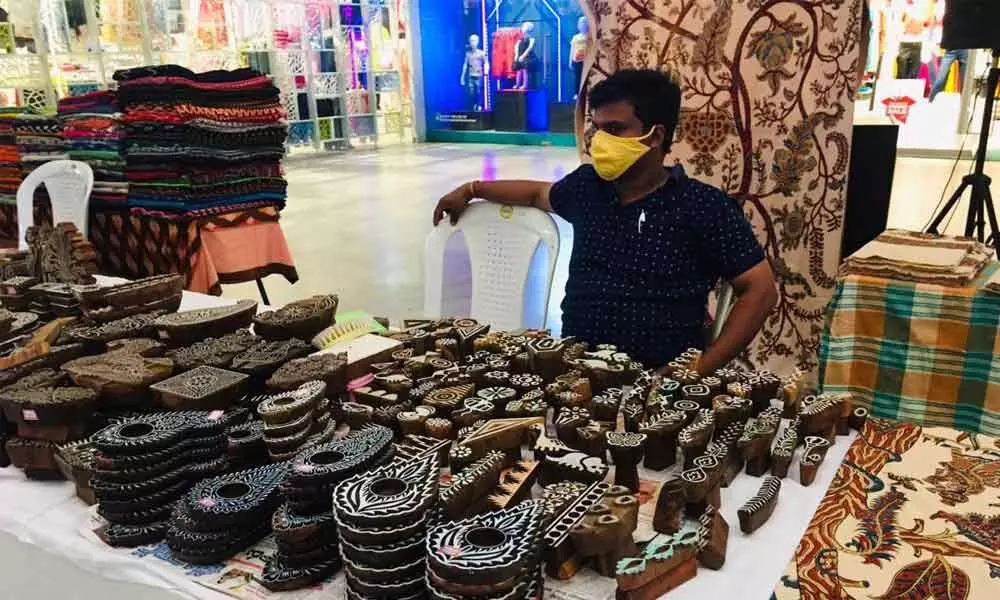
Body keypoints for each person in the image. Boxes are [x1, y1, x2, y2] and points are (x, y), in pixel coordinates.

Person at [432, 69, 777, 374]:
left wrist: (702, 367)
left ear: (655, 137)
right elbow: (537, 194)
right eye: (596, 129)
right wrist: (473, 188)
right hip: (573, 370)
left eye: (614, 129)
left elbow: (760, 290)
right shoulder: (587, 188)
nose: (599, 142)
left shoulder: (702, 206)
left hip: (657, 381)